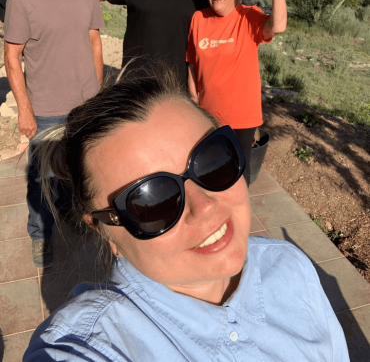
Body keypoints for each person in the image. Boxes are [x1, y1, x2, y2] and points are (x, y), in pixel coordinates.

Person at [23, 66, 349, 361]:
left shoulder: (290, 267)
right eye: (151, 201)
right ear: (105, 230)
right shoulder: (92, 345)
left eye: (212, 161)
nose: (205, 205)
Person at [4, 0, 105, 268]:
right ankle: (39, 234)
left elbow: (94, 43)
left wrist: (98, 96)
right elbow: (12, 57)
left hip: (85, 106)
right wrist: (25, 109)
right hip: (45, 107)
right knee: (42, 178)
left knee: (79, 172)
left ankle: (75, 220)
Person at [186, 0, 302, 184]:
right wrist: (192, 97)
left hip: (241, 118)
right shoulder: (199, 18)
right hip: (207, 115)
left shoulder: (248, 16)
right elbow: (192, 62)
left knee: (238, 179)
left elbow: (277, 26)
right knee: (208, 175)